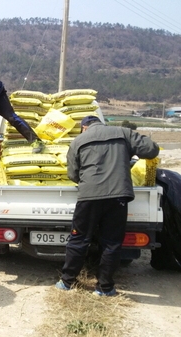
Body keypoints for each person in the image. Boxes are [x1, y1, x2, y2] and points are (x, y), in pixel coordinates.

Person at [56, 115, 160, 296]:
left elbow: (73, 174)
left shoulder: (78, 141)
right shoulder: (123, 133)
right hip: (118, 196)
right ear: (101, 123)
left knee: (79, 238)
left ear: (84, 128)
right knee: (111, 242)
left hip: (89, 197)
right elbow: (152, 150)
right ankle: (104, 288)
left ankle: (67, 282)